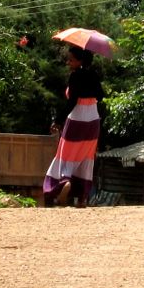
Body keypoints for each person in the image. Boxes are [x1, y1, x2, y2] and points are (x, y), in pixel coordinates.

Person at [43, 45, 103, 207]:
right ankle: (82, 197)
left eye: (71, 60)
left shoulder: (75, 76)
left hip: (76, 120)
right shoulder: (94, 75)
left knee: (66, 155)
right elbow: (101, 96)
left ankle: (64, 182)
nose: (68, 62)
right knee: (85, 158)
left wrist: (58, 120)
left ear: (80, 61)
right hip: (93, 121)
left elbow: (72, 102)